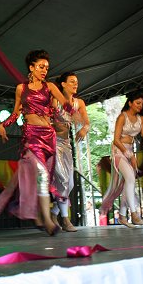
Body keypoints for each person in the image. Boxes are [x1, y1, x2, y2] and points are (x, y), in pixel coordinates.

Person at [0, 50, 76, 236]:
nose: (44, 70)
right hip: (31, 137)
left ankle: (41, 215)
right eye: (41, 67)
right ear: (31, 67)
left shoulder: (50, 87)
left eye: (46, 67)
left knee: (43, 179)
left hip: (49, 136)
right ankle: (47, 220)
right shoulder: (21, 89)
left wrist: (71, 108)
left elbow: (65, 103)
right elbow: (15, 113)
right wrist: (2, 124)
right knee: (43, 176)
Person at [100, 91, 143, 227]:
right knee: (130, 178)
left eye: (142, 103)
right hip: (119, 151)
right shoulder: (122, 117)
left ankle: (123, 216)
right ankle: (134, 214)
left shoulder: (142, 119)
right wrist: (130, 156)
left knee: (128, 183)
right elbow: (116, 140)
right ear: (130, 103)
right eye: (137, 103)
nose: (140, 106)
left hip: (129, 151)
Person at [50, 72, 89, 232]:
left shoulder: (79, 103)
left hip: (66, 144)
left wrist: (84, 129)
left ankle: (54, 212)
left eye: (77, 82)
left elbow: (86, 122)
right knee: (63, 181)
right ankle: (65, 220)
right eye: (72, 81)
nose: (75, 84)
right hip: (52, 142)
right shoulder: (55, 100)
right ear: (63, 84)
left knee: (70, 183)